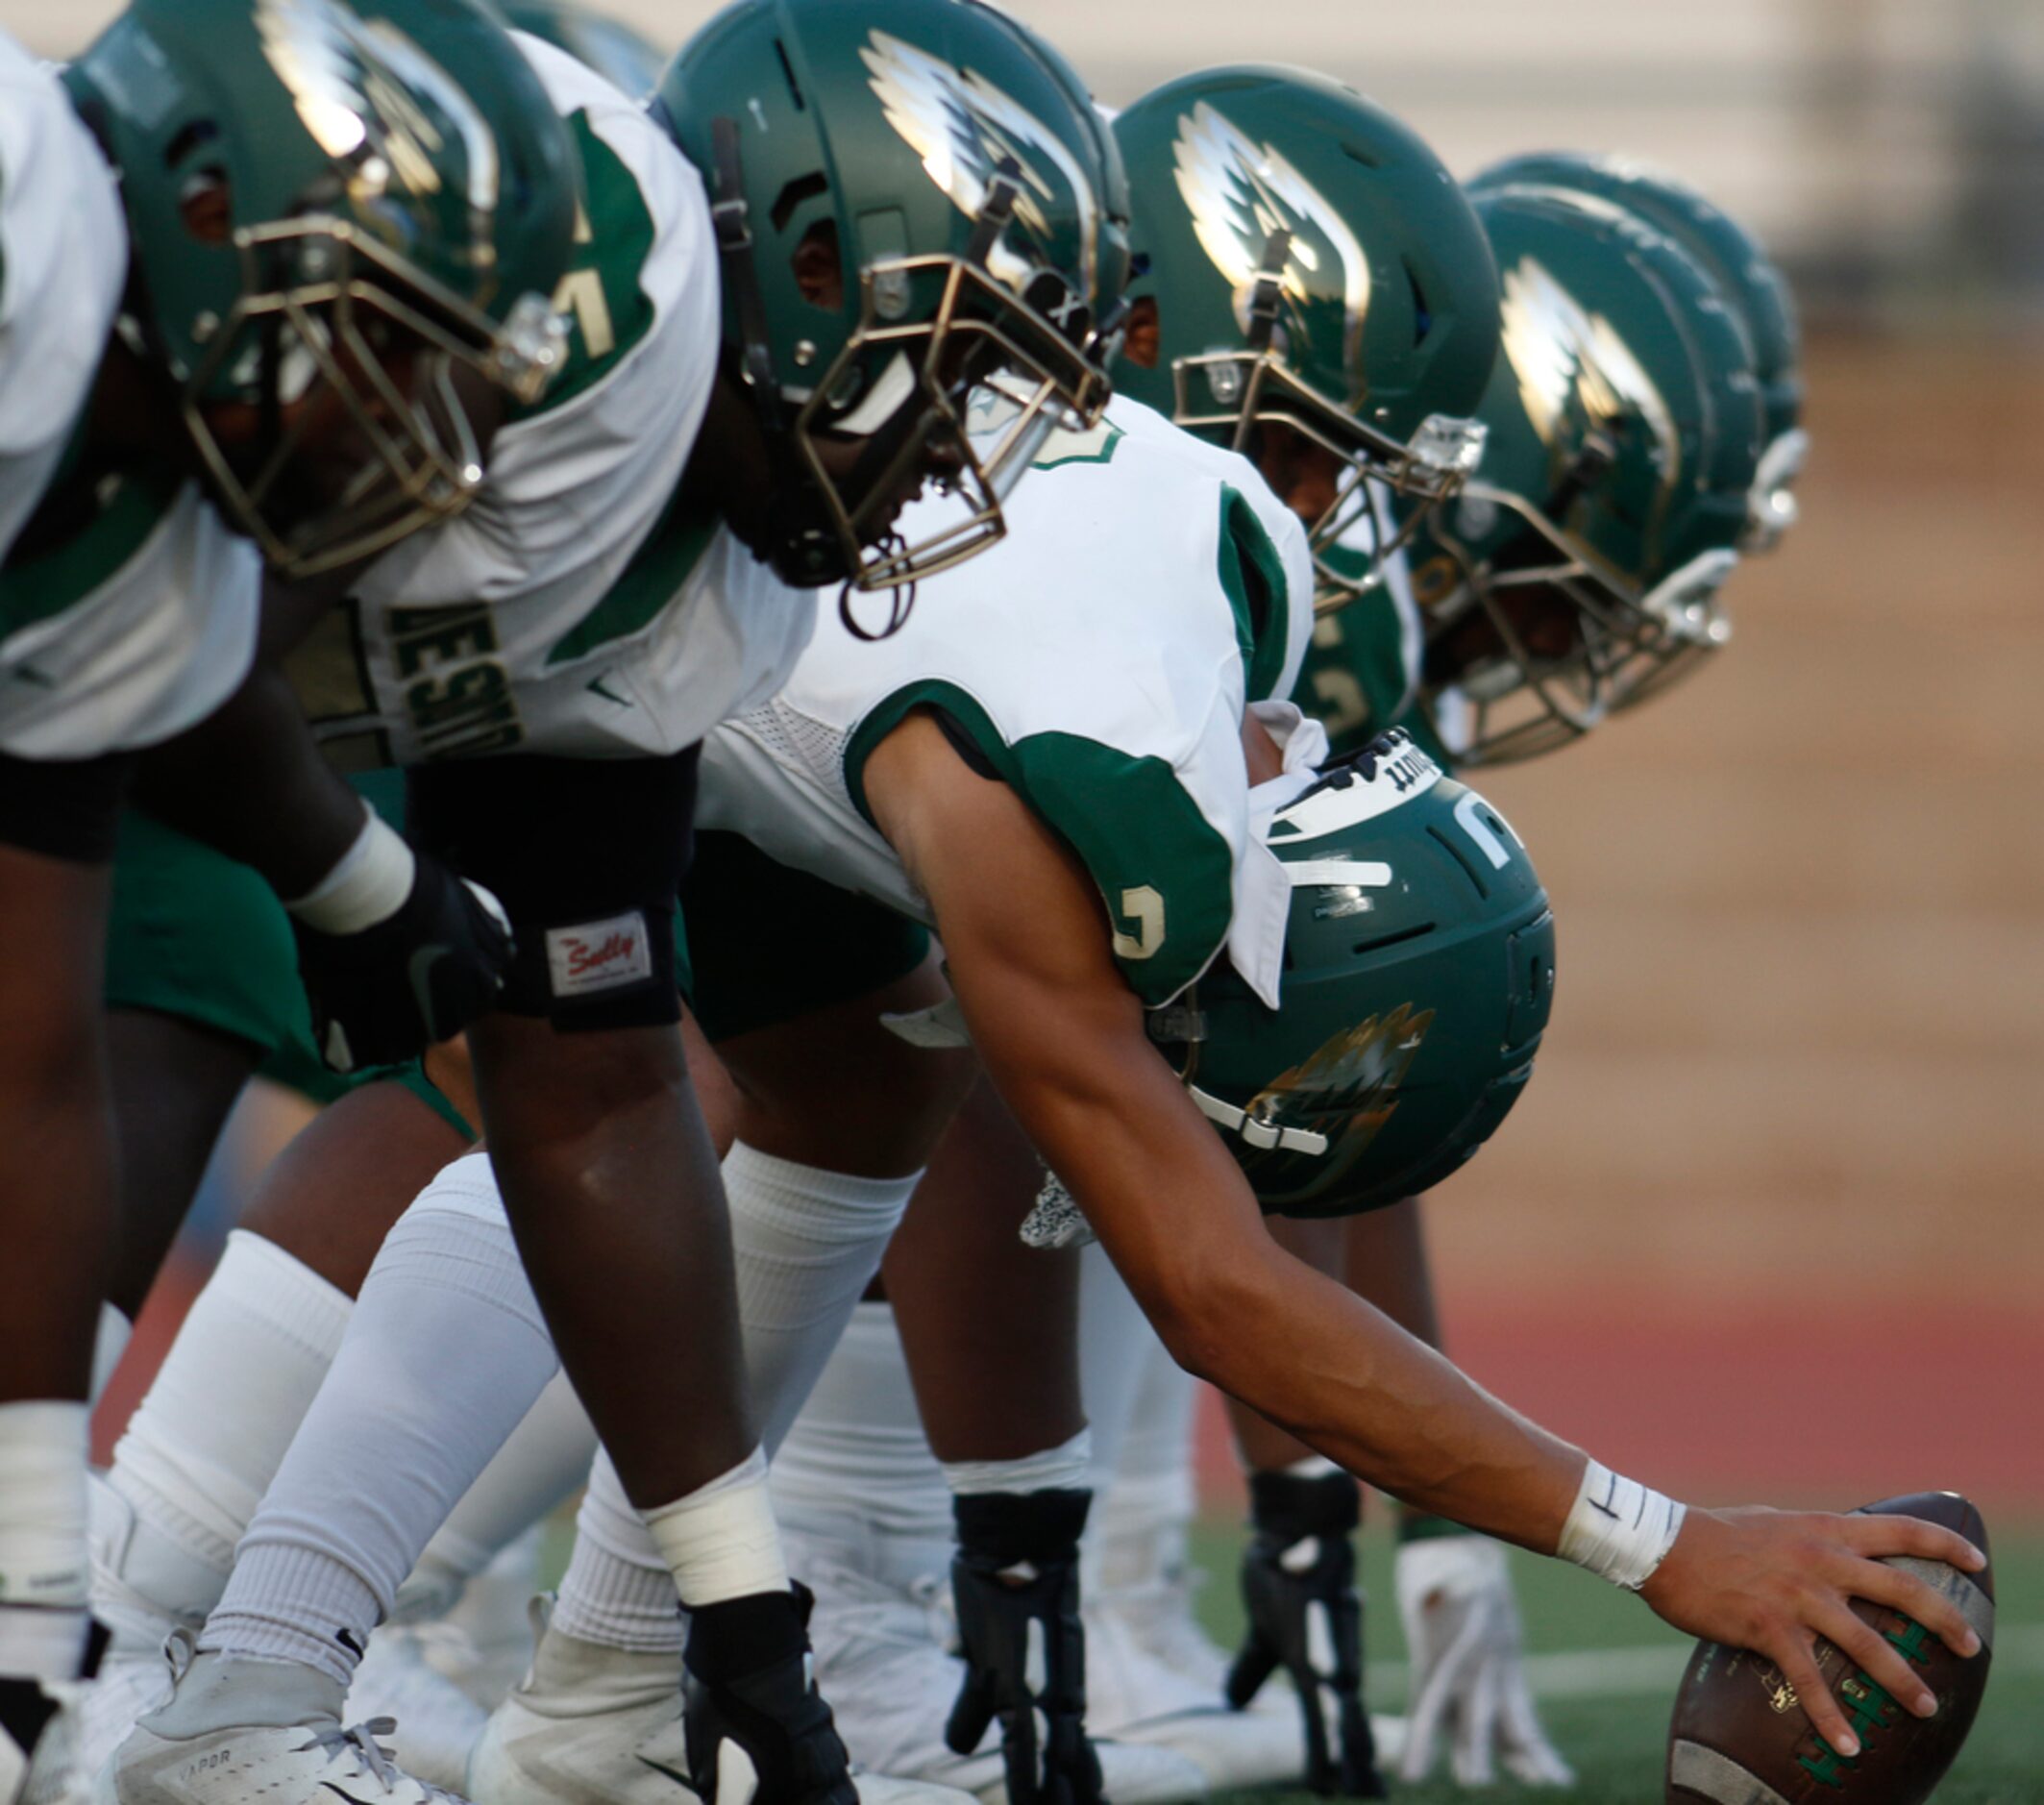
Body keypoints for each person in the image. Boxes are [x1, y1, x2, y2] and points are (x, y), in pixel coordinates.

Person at [92, 6, 1128, 1805]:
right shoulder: (584, 289)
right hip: (75, 596)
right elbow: (157, 637)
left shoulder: (712, 593)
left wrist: (732, 1616)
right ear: (816, 262)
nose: (957, 457)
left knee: (238, 950)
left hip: (135, 692)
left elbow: (595, 1088)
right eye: (957, 372)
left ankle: (143, 1671)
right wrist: (356, 877)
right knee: (181, 957)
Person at [1089, 150, 1808, 1792]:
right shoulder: (1306, 593)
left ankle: (1099, 1604)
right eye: (1591, 588)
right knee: (1011, 1104)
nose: (1581, 643)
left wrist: (1428, 1532)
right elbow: (1253, 1121)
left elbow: (1327, 1114)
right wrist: (1337, 1510)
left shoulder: (1331, 604)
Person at [0, 7, 580, 1796]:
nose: (403, 428)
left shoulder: (125, 490)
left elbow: (25, 1069)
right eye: (373, 342)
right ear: (199, 209)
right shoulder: (26, 245)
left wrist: (23, 1610)